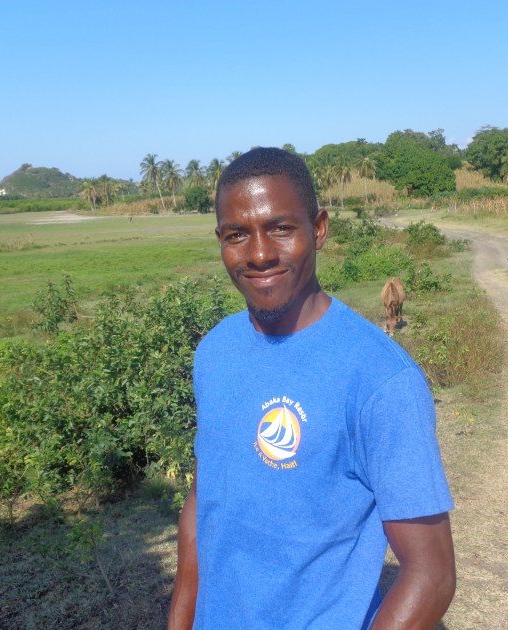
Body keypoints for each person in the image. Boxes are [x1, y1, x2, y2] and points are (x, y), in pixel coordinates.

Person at [168, 147, 456, 629]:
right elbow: (201, 508)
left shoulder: (380, 379)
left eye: (281, 228)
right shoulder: (214, 353)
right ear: (220, 240)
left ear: (318, 229)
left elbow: (431, 574)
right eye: (237, 234)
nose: (259, 254)